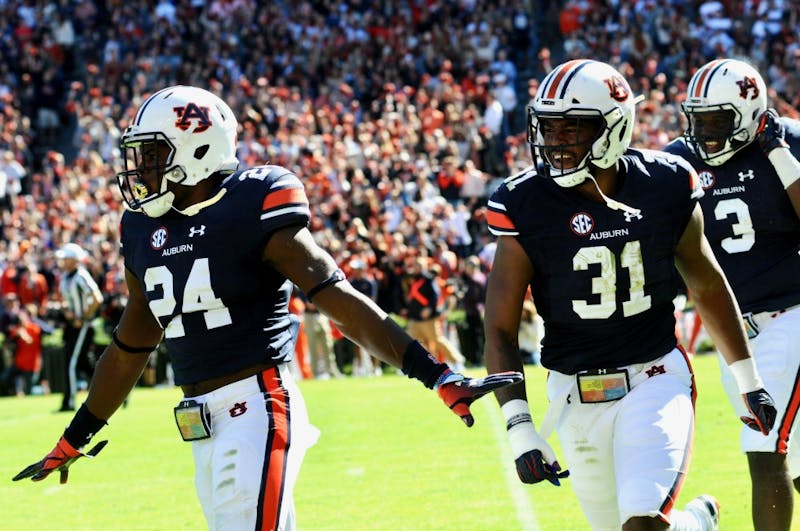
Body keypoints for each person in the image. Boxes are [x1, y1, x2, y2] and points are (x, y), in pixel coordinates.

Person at [12, 86, 521, 531]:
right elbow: (130, 346)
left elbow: (336, 298)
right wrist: (75, 436)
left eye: (152, 155)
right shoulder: (143, 227)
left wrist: (433, 373)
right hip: (201, 423)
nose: (140, 168)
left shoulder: (252, 202)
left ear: (196, 149)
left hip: (258, 406)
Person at [483, 59, 777, 530]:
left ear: (613, 128)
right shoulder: (524, 202)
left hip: (653, 377)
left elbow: (706, 281)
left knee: (641, 524)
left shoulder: (664, 184)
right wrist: (520, 427)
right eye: (548, 127)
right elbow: (498, 326)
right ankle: (695, 524)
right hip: (573, 390)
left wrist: (750, 381)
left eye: (570, 129)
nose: (554, 141)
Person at [664, 58, 800, 531]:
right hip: (735, 333)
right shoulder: (679, 159)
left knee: (763, 452)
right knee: (796, 463)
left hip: (792, 314)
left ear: (750, 114)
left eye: (717, 120)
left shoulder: (787, 143)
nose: (705, 131)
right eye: (697, 118)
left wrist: (779, 153)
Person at [55, 243, 103, 412]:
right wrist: (67, 311)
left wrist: (83, 317)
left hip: (82, 326)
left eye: (66, 258)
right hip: (72, 326)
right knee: (83, 363)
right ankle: (108, 387)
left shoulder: (81, 275)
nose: (63, 261)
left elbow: (97, 298)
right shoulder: (65, 277)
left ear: (74, 260)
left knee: (71, 362)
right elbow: (63, 301)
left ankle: (69, 401)